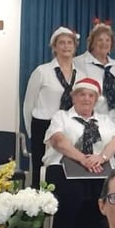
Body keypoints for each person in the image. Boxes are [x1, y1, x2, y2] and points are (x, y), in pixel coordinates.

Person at [43, 78, 115, 228]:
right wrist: (83, 158)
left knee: (106, 196)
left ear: (96, 99)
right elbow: (58, 141)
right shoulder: (61, 116)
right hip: (63, 165)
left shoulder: (104, 120)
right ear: (73, 97)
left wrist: (102, 157)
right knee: (73, 194)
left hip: (99, 167)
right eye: (81, 94)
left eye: (90, 95)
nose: (86, 99)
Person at [23, 26, 84, 189]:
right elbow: (28, 104)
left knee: (65, 167)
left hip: (68, 126)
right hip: (43, 125)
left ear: (74, 47)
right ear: (54, 47)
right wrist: (33, 132)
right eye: (61, 43)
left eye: (69, 42)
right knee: (40, 169)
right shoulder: (42, 71)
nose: (66, 46)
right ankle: (38, 208)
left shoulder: (81, 75)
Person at [75, 21, 115, 131]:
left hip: (114, 125)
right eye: (100, 40)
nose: (104, 43)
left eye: (107, 40)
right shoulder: (79, 62)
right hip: (89, 124)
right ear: (92, 43)